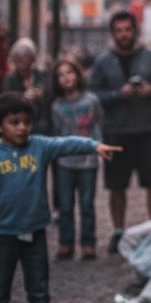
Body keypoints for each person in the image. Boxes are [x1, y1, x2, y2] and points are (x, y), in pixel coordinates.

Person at [0, 93, 120, 303]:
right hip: (3, 236)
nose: (22, 128)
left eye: (26, 122)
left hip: (35, 234)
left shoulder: (39, 147)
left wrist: (94, 145)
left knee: (39, 293)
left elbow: (66, 143)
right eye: (14, 122)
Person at [87, 11, 151, 255]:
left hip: (147, 130)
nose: (124, 34)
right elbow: (94, 95)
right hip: (116, 132)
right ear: (113, 34)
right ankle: (118, 231)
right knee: (116, 186)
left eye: (127, 29)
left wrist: (150, 90)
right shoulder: (103, 62)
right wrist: (118, 94)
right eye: (119, 30)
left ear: (135, 31)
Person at [49, 56, 103, 260]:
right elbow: (56, 132)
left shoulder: (91, 100)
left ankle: (88, 242)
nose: (66, 78)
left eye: (69, 73)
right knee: (65, 204)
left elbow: (97, 124)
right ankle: (66, 242)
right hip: (64, 161)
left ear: (77, 75)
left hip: (88, 160)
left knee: (87, 203)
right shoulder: (56, 106)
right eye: (61, 75)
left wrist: (99, 146)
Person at [2, 37, 51, 133]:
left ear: (32, 58)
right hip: (18, 127)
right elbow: (6, 103)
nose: (22, 59)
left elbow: (51, 95)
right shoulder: (10, 79)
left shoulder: (43, 76)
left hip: (41, 126)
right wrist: (23, 98)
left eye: (26, 55)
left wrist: (42, 94)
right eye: (18, 56)